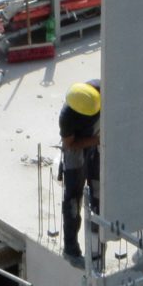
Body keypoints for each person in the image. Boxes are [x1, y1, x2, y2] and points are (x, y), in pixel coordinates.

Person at [59, 80, 101, 266]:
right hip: (76, 146)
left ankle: (97, 247)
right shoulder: (67, 117)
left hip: (96, 136)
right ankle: (71, 248)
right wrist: (96, 140)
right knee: (73, 199)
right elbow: (70, 144)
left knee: (98, 191)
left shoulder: (100, 89)